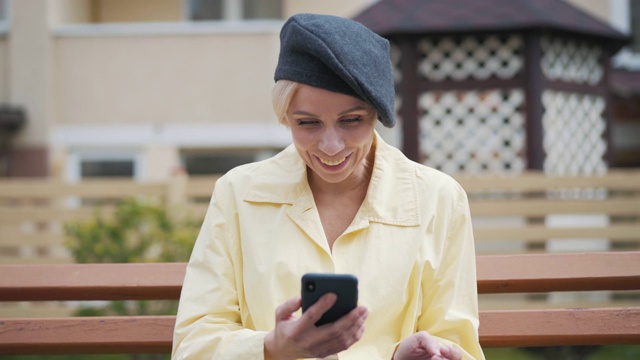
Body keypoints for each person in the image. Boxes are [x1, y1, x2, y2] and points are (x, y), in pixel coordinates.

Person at [172, 13, 485, 360]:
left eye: (351, 121)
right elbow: (193, 347)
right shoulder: (237, 194)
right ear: (285, 116)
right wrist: (273, 349)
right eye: (308, 123)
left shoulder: (438, 199)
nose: (331, 146)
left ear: (376, 115)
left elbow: (457, 344)